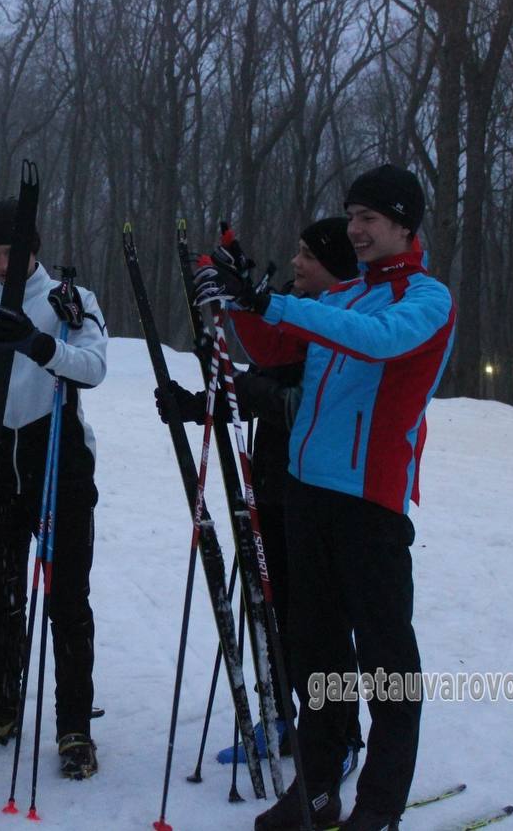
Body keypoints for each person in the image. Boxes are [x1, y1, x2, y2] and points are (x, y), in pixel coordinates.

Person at [194, 166, 455, 831]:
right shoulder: (344, 297)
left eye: (370, 217)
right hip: (310, 497)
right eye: (352, 214)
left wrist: (273, 302)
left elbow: (380, 343)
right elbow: (276, 342)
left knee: (387, 664)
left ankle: (378, 806)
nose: (357, 228)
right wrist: (237, 296)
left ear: (405, 225)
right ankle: (314, 789)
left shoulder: (426, 299)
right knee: (318, 656)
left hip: (370, 505)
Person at [157, 217, 364, 764]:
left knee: (317, 628)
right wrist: (198, 403)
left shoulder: (339, 325)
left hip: (320, 495)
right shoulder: (299, 316)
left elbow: (282, 391)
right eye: (296, 252)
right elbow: (256, 385)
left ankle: (340, 736)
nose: (296, 263)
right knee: (275, 616)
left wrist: (237, 376)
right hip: (272, 485)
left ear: (336, 269)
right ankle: (287, 721)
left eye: (308, 257)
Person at [0, 198, 108, 779]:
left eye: (11, 251)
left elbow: (93, 367)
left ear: (32, 248)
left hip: (57, 457)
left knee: (65, 598)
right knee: (1, 595)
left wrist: (39, 343)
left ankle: (74, 725)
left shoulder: (70, 300)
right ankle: (1, 707)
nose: (1, 263)